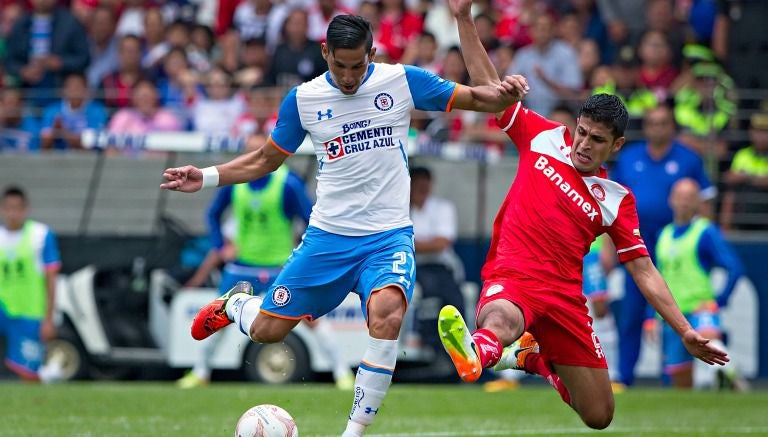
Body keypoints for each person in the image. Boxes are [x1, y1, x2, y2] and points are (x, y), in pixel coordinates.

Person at [160, 14, 526, 437]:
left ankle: (352, 433)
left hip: (388, 237)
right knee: (267, 331)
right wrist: (204, 176)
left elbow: (484, 100)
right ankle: (235, 306)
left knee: (387, 315)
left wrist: (504, 89)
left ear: (372, 53)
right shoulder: (303, 99)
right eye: (340, 66)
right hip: (327, 239)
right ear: (324, 54)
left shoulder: (400, 81)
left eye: (358, 65)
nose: (350, 76)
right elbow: (265, 159)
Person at [437, 0, 728, 429]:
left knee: (599, 415)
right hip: (514, 276)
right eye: (582, 132)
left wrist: (684, 329)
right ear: (575, 125)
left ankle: (529, 356)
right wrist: (463, 18)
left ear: (616, 146)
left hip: (565, 298)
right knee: (499, 318)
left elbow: (644, 271)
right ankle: (479, 351)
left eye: (597, 139)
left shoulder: (615, 198)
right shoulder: (541, 136)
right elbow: (488, 86)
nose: (583, 144)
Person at [177, 160, 355, 390]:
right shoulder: (236, 183)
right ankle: (200, 372)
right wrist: (221, 246)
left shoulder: (287, 183)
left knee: (310, 318)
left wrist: (304, 253)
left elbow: (312, 219)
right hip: (242, 267)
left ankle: (341, 372)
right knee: (217, 317)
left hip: (280, 267)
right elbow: (212, 214)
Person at [610, 104, 715, 386]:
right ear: (646, 127)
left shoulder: (688, 159)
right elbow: (610, 205)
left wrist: (705, 241)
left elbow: (704, 203)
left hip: (675, 252)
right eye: (652, 123)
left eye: (663, 123)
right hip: (634, 247)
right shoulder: (630, 157)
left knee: (672, 315)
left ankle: (672, 381)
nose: (657, 128)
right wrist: (608, 249)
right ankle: (624, 377)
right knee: (631, 316)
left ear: (672, 126)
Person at [652, 178, 748, 391]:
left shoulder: (705, 232)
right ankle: (715, 383)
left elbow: (735, 268)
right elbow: (654, 279)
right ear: (671, 200)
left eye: (689, 198)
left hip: (699, 307)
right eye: (680, 197)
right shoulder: (663, 235)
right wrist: (650, 316)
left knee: (711, 344)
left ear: (698, 203)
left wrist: (719, 301)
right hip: (672, 315)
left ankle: (731, 378)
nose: (684, 203)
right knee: (681, 380)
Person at [0, 186, 61, 381]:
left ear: (25, 209)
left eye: (17, 208)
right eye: (8, 208)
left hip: (29, 313)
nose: (12, 213)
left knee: (27, 373)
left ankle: (44, 383)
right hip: (3, 309)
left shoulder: (41, 235)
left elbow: (51, 279)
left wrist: (49, 318)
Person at [409, 166, 465, 361]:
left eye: (426, 183)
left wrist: (412, 243)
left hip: (441, 267)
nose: (422, 188)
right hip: (414, 267)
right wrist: (425, 244)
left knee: (454, 298)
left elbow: (442, 242)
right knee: (424, 294)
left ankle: (459, 350)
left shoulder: (442, 207)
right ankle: (429, 345)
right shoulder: (401, 209)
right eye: (418, 183)